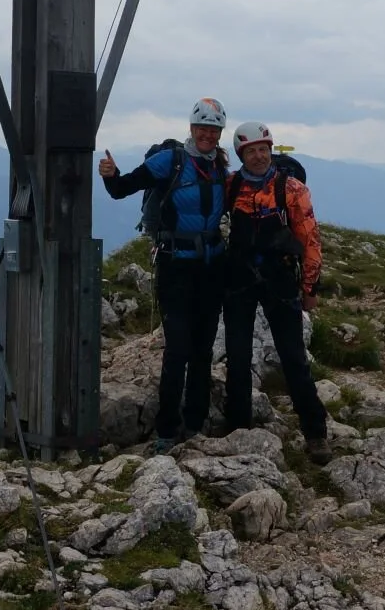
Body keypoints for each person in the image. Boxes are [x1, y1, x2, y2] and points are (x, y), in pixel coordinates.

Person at [98, 98, 230, 452]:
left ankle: (195, 423)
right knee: (178, 350)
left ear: (219, 134)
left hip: (211, 267)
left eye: (213, 130)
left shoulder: (220, 167)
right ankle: (167, 430)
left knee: (203, 351)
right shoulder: (169, 161)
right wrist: (111, 175)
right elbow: (123, 189)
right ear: (191, 128)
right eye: (202, 128)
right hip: (176, 266)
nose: (207, 134)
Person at [222, 120, 331, 464]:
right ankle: (238, 427)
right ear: (241, 155)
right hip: (239, 276)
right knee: (237, 356)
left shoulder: (292, 189)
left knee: (293, 357)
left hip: (280, 277)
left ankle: (315, 434)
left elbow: (310, 239)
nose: (257, 156)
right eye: (250, 151)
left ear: (271, 150)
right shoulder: (232, 185)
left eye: (262, 149)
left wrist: (310, 288)